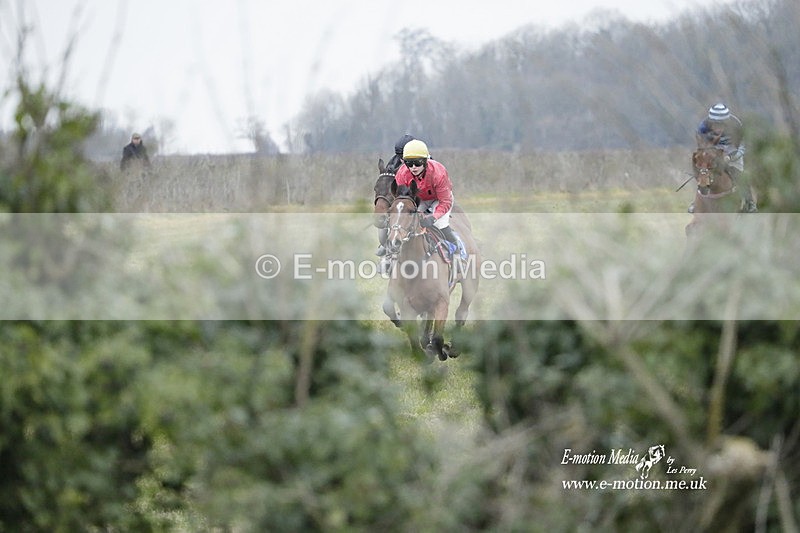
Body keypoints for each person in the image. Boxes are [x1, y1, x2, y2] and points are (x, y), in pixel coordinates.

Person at [394, 139, 461, 252]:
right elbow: (403, 200)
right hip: (420, 199)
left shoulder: (438, 173)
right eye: (409, 163)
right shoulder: (402, 174)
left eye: (418, 163)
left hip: (439, 199)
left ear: (425, 161)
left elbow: (445, 202)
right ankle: (390, 255)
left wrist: (433, 217)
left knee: (440, 224)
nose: (413, 167)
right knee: (405, 223)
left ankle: (458, 253)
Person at [689, 103, 756, 213]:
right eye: (715, 124)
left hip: (733, 152)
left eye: (721, 124)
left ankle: (750, 202)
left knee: (739, 174)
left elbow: (743, 147)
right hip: (714, 152)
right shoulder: (703, 127)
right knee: (703, 173)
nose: (717, 128)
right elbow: (702, 145)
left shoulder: (736, 127)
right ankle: (697, 202)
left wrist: (729, 158)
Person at [376, 134, 416, 265]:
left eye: (403, 156)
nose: (401, 159)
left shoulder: (423, 160)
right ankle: (386, 249)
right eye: (399, 156)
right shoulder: (393, 162)